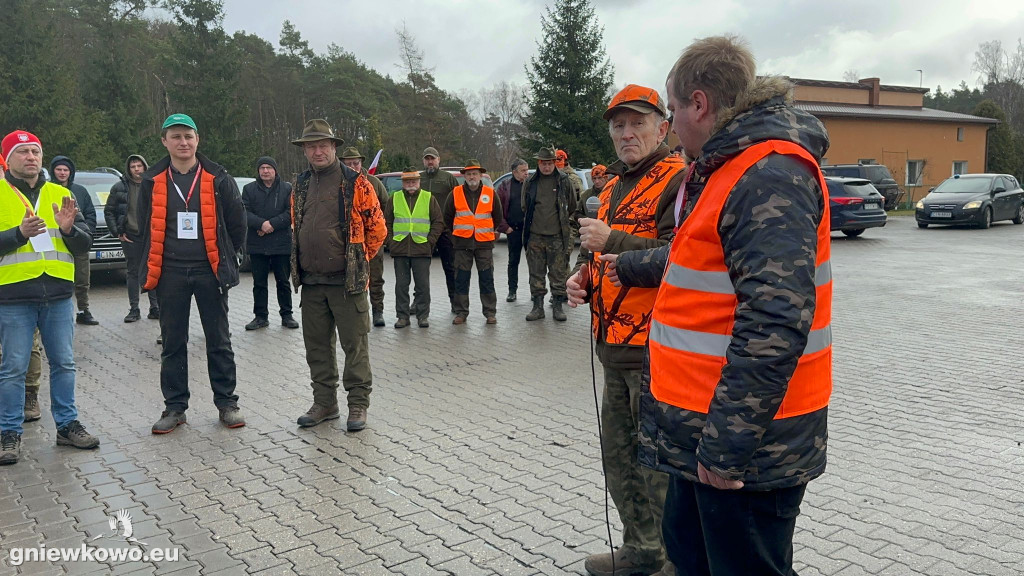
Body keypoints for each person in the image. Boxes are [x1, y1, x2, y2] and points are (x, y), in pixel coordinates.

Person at [606, 36, 833, 575]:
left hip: (746, 445)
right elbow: (697, 260)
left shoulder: (768, 173)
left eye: (673, 108)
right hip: (702, 430)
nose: (672, 123)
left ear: (699, 104)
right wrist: (622, 266)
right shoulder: (725, 168)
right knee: (688, 551)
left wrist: (727, 448)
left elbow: (775, 319)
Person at [566, 84, 688, 576]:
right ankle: (641, 552)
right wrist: (581, 280)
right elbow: (597, 255)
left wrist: (611, 237)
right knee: (618, 461)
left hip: (655, 351)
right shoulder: (612, 188)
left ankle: (670, 562)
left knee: (657, 470)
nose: (626, 133)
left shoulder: (678, 181)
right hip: (612, 348)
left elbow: (681, 258)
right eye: (618, 125)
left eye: (637, 123)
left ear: (663, 127)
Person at [138, 113, 248, 434]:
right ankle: (175, 408)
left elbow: (237, 223)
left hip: (209, 272)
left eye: (188, 136)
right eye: (176, 137)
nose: (183, 142)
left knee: (219, 340)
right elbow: (142, 224)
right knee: (173, 342)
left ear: (197, 139)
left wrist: (230, 258)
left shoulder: (218, 178)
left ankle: (227, 403)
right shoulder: (151, 180)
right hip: (170, 272)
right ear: (164, 141)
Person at [0, 130, 100, 465]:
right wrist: (18, 234)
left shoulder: (62, 193)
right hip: (14, 298)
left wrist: (70, 229)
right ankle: (8, 433)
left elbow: (85, 244)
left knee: (64, 364)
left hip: (57, 296)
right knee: (13, 368)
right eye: (23, 151)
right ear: (8, 159)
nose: (31, 157)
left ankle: (67, 425)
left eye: (36, 151)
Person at [290, 119, 387, 431]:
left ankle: (358, 404)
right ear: (304, 150)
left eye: (323, 145)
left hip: (347, 283)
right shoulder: (301, 184)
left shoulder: (356, 183)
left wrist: (357, 261)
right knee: (316, 347)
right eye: (311, 146)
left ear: (334, 147)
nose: (317, 151)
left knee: (354, 346)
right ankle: (325, 402)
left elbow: (378, 229)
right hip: (312, 282)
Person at [520, 147, 577, 322]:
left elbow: (572, 205)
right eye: (543, 163)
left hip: (557, 237)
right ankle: (538, 307)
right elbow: (525, 206)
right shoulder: (531, 182)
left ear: (554, 163)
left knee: (558, 273)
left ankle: (558, 307)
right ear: (539, 164)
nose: (547, 166)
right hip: (535, 236)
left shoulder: (564, 181)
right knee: (536, 274)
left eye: (550, 163)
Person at [241, 156, 297, 330]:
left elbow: (291, 213)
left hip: (281, 243)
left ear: (275, 170)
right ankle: (260, 317)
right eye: (262, 168)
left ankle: (287, 315)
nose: (265, 171)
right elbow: (244, 212)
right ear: (258, 171)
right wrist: (261, 224)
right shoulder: (249, 189)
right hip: (258, 244)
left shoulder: (287, 188)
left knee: (283, 282)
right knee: (259, 283)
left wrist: (271, 224)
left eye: (269, 168)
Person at [443, 160, 502, 324]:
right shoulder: (455, 193)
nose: (471, 176)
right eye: (468, 174)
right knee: (461, 279)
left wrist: (486, 229)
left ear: (480, 175)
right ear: (464, 176)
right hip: (462, 244)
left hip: (484, 244)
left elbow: (498, 216)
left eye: (474, 173)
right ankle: (461, 312)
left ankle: (490, 312)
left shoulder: (490, 193)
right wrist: (456, 235)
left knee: (487, 278)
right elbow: (447, 217)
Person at [384, 168, 443, 328]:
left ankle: (423, 316)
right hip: (400, 249)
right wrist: (390, 242)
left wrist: (430, 241)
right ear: (403, 183)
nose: (411, 184)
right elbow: (386, 222)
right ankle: (402, 317)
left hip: (421, 249)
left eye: (413, 181)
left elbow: (438, 222)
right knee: (401, 286)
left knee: (423, 285)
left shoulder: (428, 198)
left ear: (419, 182)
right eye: (407, 181)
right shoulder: (394, 198)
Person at [105, 154, 160, 322]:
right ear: (129, 169)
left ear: (145, 167)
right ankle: (134, 309)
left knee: (153, 270)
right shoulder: (119, 187)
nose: (136, 169)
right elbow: (109, 211)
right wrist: (117, 232)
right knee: (133, 272)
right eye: (133, 166)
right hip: (130, 236)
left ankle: (155, 307)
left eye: (139, 166)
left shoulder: (153, 185)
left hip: (151, 235)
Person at [339, 147, 390, 327]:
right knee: (355, 279)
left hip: (373, 241)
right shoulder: (339, 183)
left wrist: (382, 235)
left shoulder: (374, 183)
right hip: (349, 243)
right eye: (349, 164)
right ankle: (359, 313)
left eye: (356, 163)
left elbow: (387, 208)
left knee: (376, 277)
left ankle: (378, 311)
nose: (353, 167)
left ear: (361, 163)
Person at [50, 156, 98, 326]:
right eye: (59, 169)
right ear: (53, 171)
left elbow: (90, 214)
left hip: (78, 242)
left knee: (82, 279)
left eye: (66, 170)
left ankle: (83, 310)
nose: (62, 173)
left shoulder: (80, 190)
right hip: (58, 243)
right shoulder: (48, 191)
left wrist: (86, 233)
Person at [419, 147, 459, 312]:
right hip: (422, 231)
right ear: (423, 161)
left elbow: (458, 203)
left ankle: (455, 302)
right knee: (420, 270)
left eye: (433, 158)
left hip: (445, 231)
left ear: (439, 160)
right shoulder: (417, 179)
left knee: (450, 268)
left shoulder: (448, 179)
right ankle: (419, 303)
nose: (430, 161)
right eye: (427, 159)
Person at [496, 158, 528, 302]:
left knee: (534, 263)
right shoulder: (504, 186)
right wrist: (505, 228)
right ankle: (512, 291)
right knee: (513, 262)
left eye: (527, 170)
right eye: (523, 171)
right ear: (514, 172)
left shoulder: (531, 185)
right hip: (512, 230)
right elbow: (497, 209)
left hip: (529, 231)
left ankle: (535, 292)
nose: (526, 173)